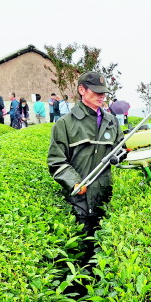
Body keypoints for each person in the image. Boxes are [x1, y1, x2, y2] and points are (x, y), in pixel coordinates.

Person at [48, 71, 124, 266]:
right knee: (81, 252)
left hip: (107, 196)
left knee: (104, 253)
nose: (101, 96)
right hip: (80, 199)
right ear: (82, 90)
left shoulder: (111, 121)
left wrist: (126, 152)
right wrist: (75, 183)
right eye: (96, 92)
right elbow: (56, 161)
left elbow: (121, 151)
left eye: (104, 92)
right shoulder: (65, 124)